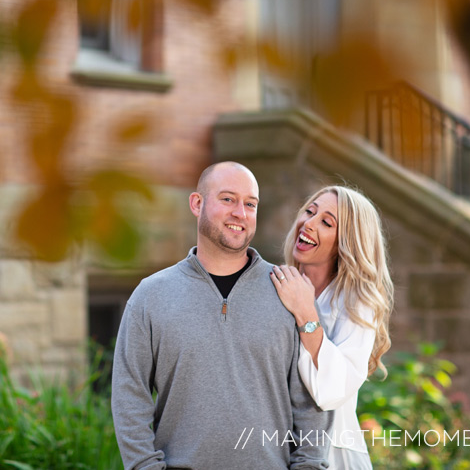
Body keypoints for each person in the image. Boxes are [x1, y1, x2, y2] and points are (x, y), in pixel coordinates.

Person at [112, 161, 332, 470]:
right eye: (227, 199)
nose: (240, 213)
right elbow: (129, 397)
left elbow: (311, 399)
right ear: (197, 203)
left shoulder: (290, 292)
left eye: (250, 204)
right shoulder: (151, 296)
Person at [270, 185, 394, 470]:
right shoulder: (275, 286)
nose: (308, 224)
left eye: (326, 222)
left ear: (346, 241)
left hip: (334, 453)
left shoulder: (358, 304)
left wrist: (304, 312)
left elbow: (332, 390)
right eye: (309, 212)